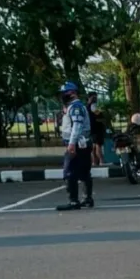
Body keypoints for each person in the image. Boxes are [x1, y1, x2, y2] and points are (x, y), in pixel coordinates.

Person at [56, 82, 94, 211]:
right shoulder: (73, 106)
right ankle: (87, 199)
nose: (62, 95)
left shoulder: (76, 107)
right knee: (84, 172)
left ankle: (73, 201)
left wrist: (72, 143)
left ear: (72, 93)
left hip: (77, 143)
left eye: (64, 93)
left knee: (69, 172)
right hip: (82, 143)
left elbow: (77, 126)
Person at [87, 92, 105, 166]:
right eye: (94, 97)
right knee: (98, 145)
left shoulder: (86, 107)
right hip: (97, 128)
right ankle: (101, 161)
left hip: (91, 128)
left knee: (94, 146)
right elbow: (97, 114)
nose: (96, 98)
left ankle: (94, 162)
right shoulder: (93, 105)